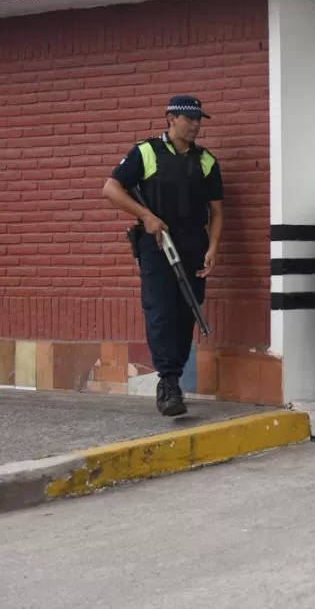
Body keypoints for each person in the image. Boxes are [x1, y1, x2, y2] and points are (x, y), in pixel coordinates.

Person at [102, 95, 224, 417]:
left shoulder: (206, 161)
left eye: (199, 119)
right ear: (171, 118)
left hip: (194, 245)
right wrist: (145, 216)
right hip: (156, 244)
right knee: (160, 310)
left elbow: (217, 211)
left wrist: (212, 247)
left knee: (188, 311)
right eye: (190, 119)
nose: (196, 124)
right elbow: (111, 188)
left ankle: (174, 375)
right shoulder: (145, 152)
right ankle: (168, 382)